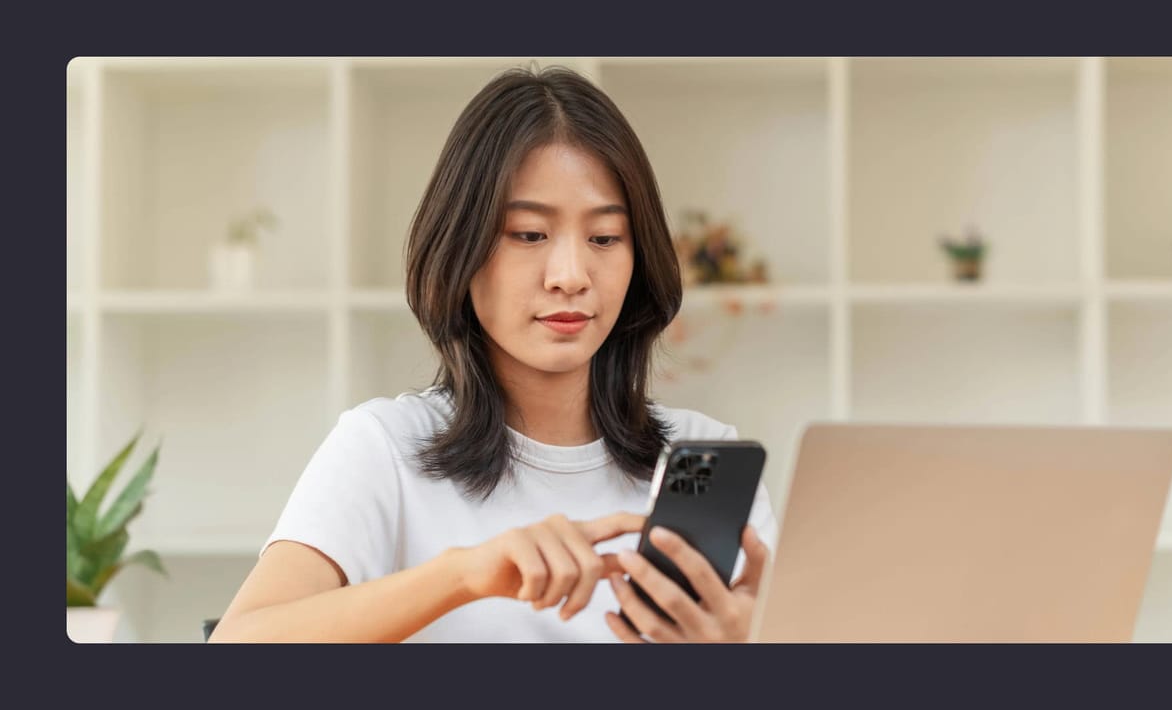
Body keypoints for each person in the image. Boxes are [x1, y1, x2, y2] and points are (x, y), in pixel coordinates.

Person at [209, 65, 778, 643]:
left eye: (604, 238)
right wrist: (463, 575)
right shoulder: (384, 447)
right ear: (461, 248)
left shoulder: (704, 456)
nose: (570, 276)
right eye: (529, 234)